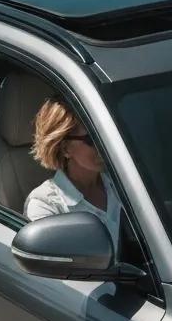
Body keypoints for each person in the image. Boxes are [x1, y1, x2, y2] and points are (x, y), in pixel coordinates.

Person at [25, 97, 123, 244]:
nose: (103, 146)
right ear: (65, 148)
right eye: (91, 139)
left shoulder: (125, 184)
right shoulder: (45, 205)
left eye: (105, 136)